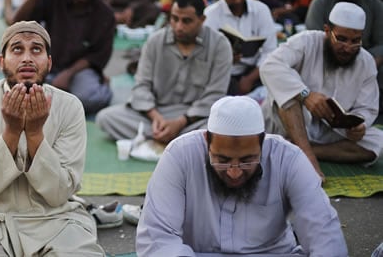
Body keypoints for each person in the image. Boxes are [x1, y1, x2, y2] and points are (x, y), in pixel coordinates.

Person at [0, 20, 105, 256]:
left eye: (36, 49)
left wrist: (35, 134)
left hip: (55, 219)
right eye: (17, 49)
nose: (27, 58)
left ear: (49, 62)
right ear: (1, 61)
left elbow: (60, 193)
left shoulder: (69, 107)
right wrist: (11, 132)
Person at [136, 96, 348, 256]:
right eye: (222, 159)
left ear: (263, 143)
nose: (234, 171)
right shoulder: (180, 155)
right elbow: (158, 237)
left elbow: (323, 232)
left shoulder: (289, 159)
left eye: (247, 160)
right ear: (206, 141)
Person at [261, 2, 383, 180]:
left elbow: (368, 108)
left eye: (355, 41)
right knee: (288, 97)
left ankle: (307, 151)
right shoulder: (306, 41)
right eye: (341, 39)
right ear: (327, 31)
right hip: (293, 123)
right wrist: (306, 95)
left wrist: (359, 126)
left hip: (331, 133)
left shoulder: (366, 62)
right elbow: (269, 66)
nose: (348, 47)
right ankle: (308, 159)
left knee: (377, 142)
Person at [96, 0, 231, 144]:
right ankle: (176, 139)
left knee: (220, 128)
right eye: (175, 19)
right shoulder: (155, 41)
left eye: (187, 21)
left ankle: (160, 137)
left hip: (195, 118)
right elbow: (141, 85)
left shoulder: (220, 45)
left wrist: (180, 122)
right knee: (106, 118)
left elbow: (215, 95)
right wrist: (156, 118)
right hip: (156, 113)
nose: (179, 27)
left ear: (202, 20)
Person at [12, 0, 114, 114]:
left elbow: (97, 56)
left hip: (79, 71)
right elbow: (18, 22)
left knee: (90, 99)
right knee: (15, 95)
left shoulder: (105, 15)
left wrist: (68, 74)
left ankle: (101, 86)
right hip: (46, 64)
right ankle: (57, 96)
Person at [305, 0, 383, 92]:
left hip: (366, 67)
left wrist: (364, 69)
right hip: (327, 66)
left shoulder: (375, 5)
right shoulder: (320, 4)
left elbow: (381, 45)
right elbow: (315, 43)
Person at [203, 0, 277, 95]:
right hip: (224, 73)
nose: (237, 0)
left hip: (256, 70)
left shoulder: (261, 10)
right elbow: (205, 54)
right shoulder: (211, 15)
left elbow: (270, 51)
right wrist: (226, 58)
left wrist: (249, 78)